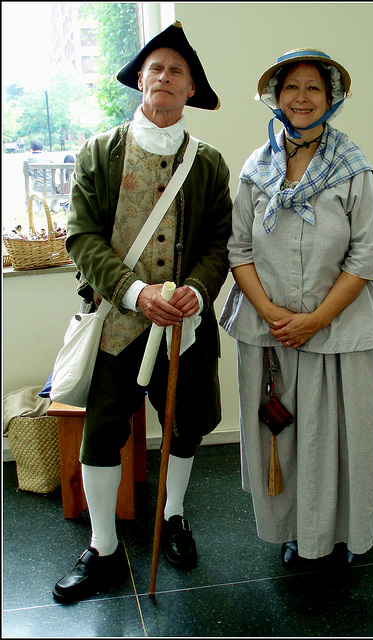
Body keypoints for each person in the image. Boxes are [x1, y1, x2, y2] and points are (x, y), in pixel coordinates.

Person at [52, 21, 232, 602]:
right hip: (118, 322)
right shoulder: (99, 153)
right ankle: (102, 548)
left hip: (186, 322)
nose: (163, 76)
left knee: (187, 421)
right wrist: (135, 292)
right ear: (140, 82)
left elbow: (219, 244)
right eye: (155, 68)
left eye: (175, 71)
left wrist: (195, 293)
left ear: (190, 90)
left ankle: (173, 515)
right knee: (101, 434)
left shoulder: (208, 164)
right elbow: (80, 236)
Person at [220, 48, 373, 570]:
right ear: (275, 98)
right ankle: (297, 531)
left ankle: (346, 533)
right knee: (288, 437)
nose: (301, 97)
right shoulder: (257, 169)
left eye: (313, 88)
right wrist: (273, 313)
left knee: (346, 435)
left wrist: (317, 318)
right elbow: (239, 250)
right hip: (270, 331)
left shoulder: (352, 168)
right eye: (291, 87)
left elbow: (367, 255)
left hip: (342, 330)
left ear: (331, 98)